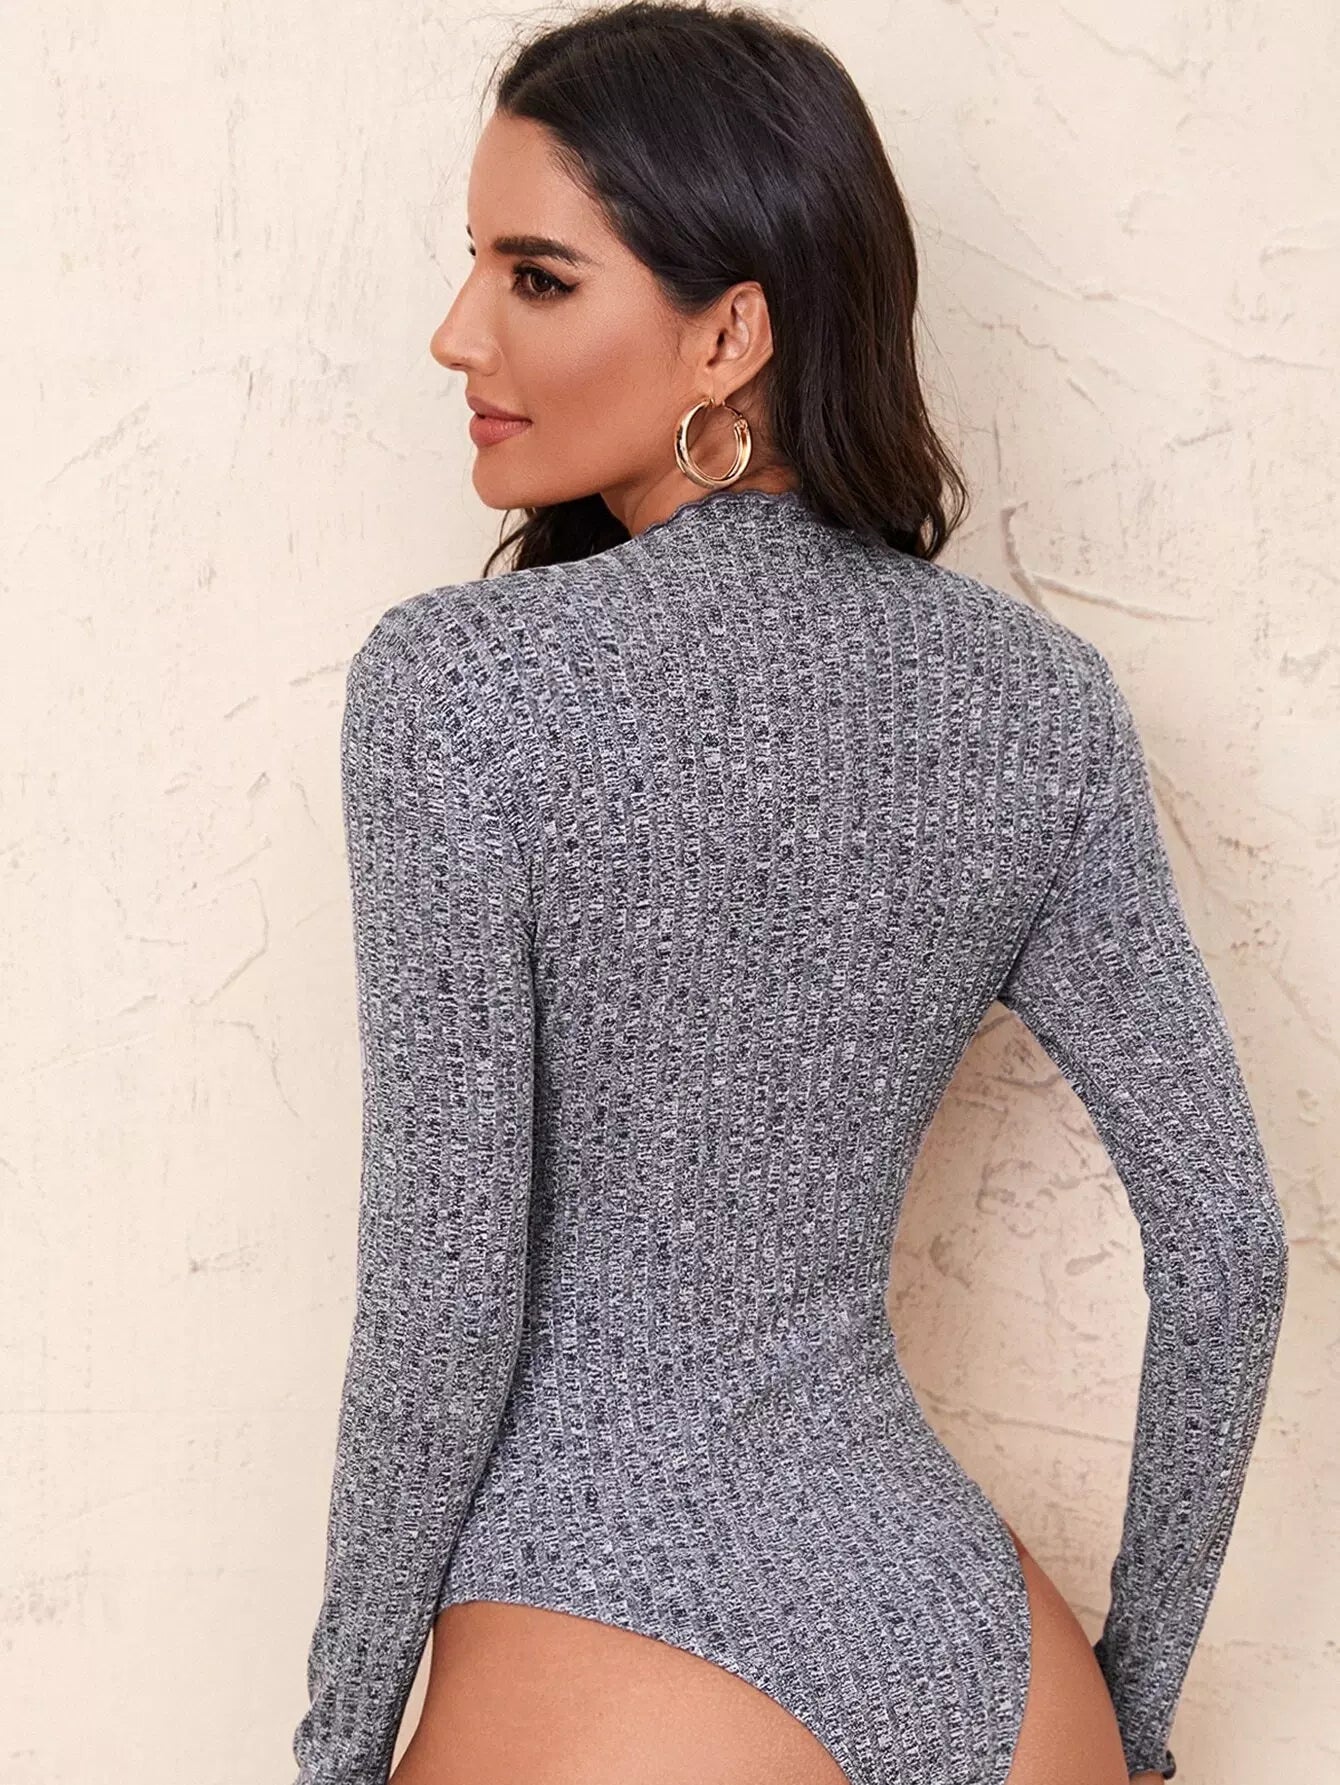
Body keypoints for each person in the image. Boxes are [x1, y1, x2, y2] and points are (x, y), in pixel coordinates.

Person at [290, 5, 1290, 1782]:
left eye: (535, 276)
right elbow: (1229, 1250)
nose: (458, 331)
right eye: (477, 263)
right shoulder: (1036, 702)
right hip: (981, 1656)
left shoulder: (460, 690)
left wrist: (339, 1744)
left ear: (729, 335)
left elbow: (445, 1304)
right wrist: (1128, 1718)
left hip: (607, 1638)